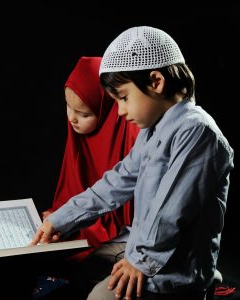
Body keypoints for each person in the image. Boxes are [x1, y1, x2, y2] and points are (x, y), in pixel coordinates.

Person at [31, 26, 234, 300]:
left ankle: (201, 281)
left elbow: (170, 211)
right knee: (78, 272)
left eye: (124, 98)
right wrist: (60, 220)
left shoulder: (197, 132)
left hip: (169, 273)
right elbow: (116, 182)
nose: (121, 111)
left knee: (97, 297)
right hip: (145, 249)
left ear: (156, 82)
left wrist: (140, 261)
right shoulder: (153, 131)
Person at [41, 56, 139, 261]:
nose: (72, 118)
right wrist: (62, 213)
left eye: (84, 114)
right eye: (68, 106)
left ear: (108, 107)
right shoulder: (77, 130)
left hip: (127, 233)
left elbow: (117, 192)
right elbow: (75, 184)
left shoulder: (128, 133)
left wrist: (69, 221)